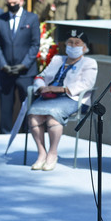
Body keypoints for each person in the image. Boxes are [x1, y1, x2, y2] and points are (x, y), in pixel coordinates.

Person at [27, 30, 97, 171]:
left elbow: (86, 84)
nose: (73, 45)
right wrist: (41, 88)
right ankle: (42, 153)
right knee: (34, 116)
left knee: (53, 118)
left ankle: (52, 153)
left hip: (73, 98)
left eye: (77, 43)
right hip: (49, 96)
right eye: (70, 42)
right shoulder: (57, 60)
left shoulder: (89, 62)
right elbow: (41, 76)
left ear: (84, 47)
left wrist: (60, 89)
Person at [0, 0, 41, 134]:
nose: (12, 5)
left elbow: (35, 44)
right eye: (9, 3)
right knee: (6, 106)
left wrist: (24, 65)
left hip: (25, 72)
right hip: (6, 71)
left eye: (14, 2)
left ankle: (27, 135)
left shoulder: (31, 19)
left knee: (27, 106)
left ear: (21, 1)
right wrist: (3, 65)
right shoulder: (0, 20)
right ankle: (5, 134)